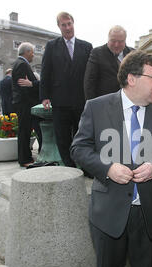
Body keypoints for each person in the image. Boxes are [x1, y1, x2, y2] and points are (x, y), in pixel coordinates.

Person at [70, 51, 152, 267]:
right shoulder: (96, 107)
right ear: (132, 78)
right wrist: (107, 168)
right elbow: (79, 149)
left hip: (148, 211)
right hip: (108, 210)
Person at [40, 12, 92, 169]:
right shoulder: (51, 46)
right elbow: (45, 72)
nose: (67, 27)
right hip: (60, 100)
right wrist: (45, 97)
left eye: (69, 23)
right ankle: (69, 167)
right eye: (64, 25)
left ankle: (83, 165)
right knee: (62, 137)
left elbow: (90, 75)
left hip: (81, 100)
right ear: (59, 27)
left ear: (73, 23)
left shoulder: (87, 47)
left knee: (82, 136)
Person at [84, 25, 133, 101]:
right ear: (108, 39)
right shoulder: (97, 53)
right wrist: (91, 105)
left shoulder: (133, 54)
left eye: (120, 41)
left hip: (129, 101)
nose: (116, 45)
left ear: (125, 40)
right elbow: (89, 82)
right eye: (113, 41)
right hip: (105, 102)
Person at [12, 42, 40, 168]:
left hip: (24, 103)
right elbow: (24, 86)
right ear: (27, 52)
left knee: (26, 131)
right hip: (25, 104)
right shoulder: (22, 64)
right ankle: (24, 159)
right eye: (32, 52)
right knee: (24, 131)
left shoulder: (19, 63)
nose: (33, 55)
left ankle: (25, 157)